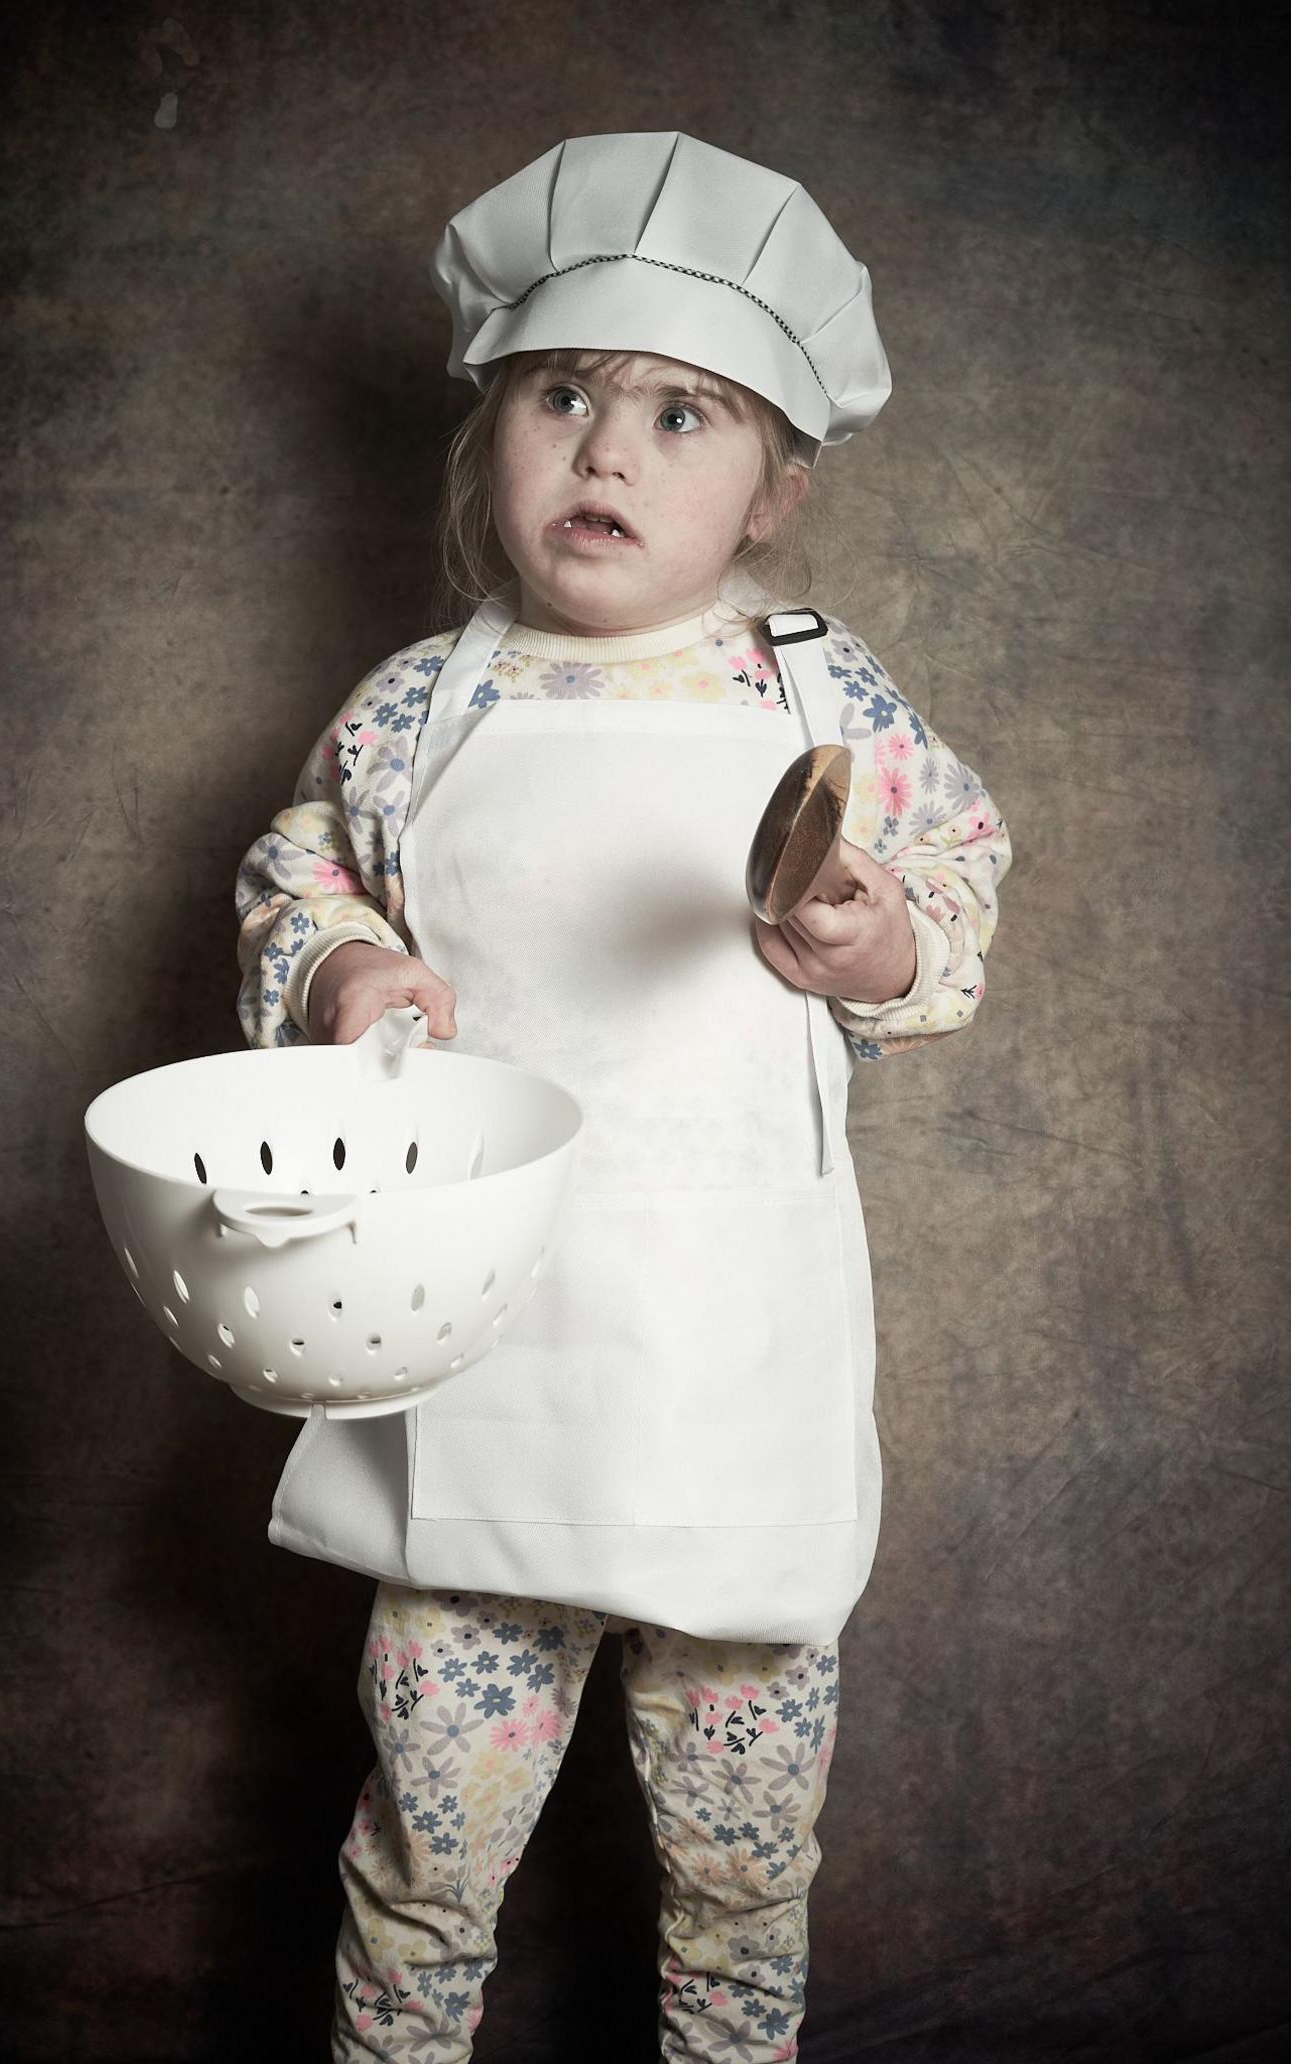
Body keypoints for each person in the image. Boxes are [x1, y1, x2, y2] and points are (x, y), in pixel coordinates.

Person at [235, 132, 1010, 2064]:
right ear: (490, 436)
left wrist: (872, 944)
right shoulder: (422, 703)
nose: (607, 452)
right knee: (426, 1847)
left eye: (681, 416)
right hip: (473, 1377)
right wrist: (340, 964)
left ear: (775, 496)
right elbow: (296, 869)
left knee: (744, 1868)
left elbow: (956, 885)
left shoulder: (823, 696)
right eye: (563, 397)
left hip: (724, 1375)